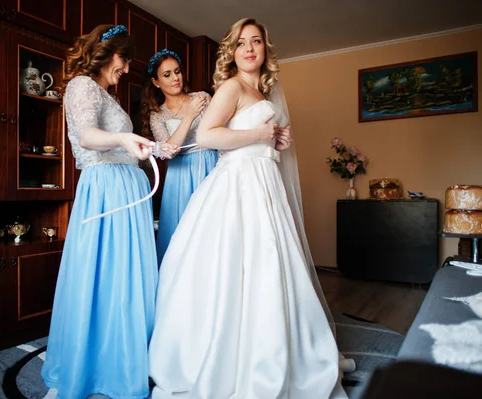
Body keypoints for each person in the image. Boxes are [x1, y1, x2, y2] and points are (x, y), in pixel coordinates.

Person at [148, 18, 349, 398]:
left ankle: (274, 348)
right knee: (234, 267)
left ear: (265, 50)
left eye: (256, 41)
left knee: (271, 267)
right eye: (242, 43)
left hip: (265, 184)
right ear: (232, 52)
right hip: (237, 185)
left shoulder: (265, 97)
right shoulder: (231, 86)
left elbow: (261, 140)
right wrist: (260, 134)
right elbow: (207, 135)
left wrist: (276, 142)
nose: (250, 48)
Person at [40, 24, 176, 399]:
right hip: (106, 190)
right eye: (124, 58)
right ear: (106, 52)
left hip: (126, 189)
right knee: (102, 277)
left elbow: (118, 142)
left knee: (125, 278)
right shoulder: (83, 85)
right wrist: (122, 138)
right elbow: (85, 136)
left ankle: (124, 358)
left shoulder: (105, 94)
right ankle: (91, 366)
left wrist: (143, 147)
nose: (127, 68)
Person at [141, 49, 219, 263]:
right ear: (156, 82)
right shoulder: (157, 115)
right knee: (181, 232)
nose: (175, 78)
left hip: (209, 166)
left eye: (177, 71)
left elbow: (219, 132)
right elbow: (169, 151)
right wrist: (189, 116)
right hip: (180, 176)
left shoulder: (202, 98)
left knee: (212, 228)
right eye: (167, 75)